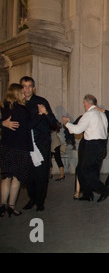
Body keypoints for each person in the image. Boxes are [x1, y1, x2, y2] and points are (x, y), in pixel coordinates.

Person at [0, 84, 43, 217]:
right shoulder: (22, 110)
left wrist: (2, 123)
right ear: (17, 93)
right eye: (22, 91)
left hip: (6, 147)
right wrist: (40, 114)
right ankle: (11, 206)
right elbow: (28, 126)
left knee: (6, 177)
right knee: (17, 178)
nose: (25, 93)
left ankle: (2, 205)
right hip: (20, 148)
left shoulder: (5, 107)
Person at [19, 76, 58, 212]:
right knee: (29, 174)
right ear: (21, 88)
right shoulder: (19, 103)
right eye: (24, 86)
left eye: (30, 86)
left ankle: (40, 201)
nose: (27, 89)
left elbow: (54, 123)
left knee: (41, 174)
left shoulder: (41, 102)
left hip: (41, 142)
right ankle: (32, 198)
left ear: (34, 88)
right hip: (25, 143)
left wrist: (45, 113)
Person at [62, 94, 109, 203]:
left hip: (92, 146)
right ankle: (87, 194)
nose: (84, 106)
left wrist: (67, 123)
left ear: (87, 103)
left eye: (84, 103)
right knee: (91, 171)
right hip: (102, 145)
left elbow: (77, 130)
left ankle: (103, 190)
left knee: (83, 170)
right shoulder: (102, 114)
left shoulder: (89, 114)